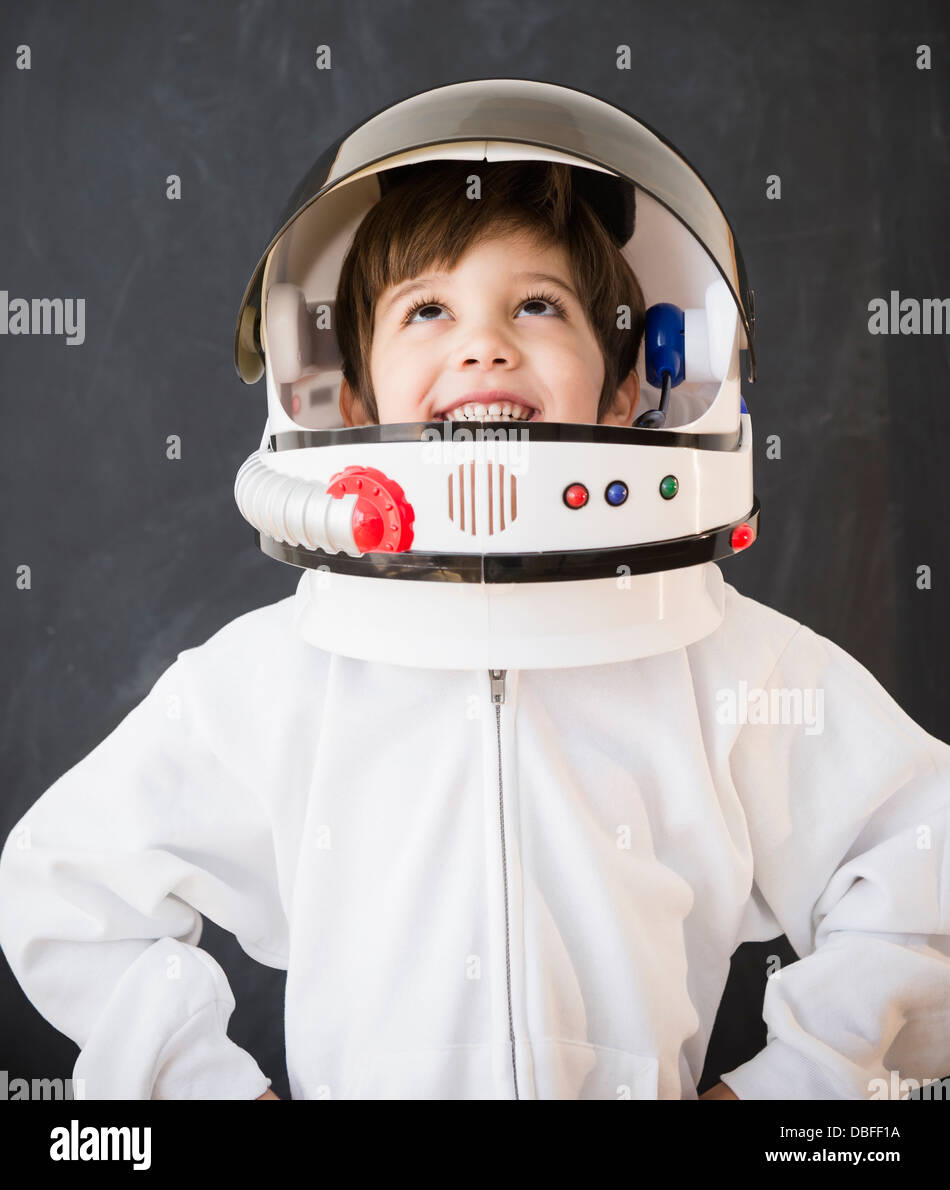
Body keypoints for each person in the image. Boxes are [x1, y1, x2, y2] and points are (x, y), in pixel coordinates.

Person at [1, 147, 948, 1102]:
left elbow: (927, 868)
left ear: (626, 388)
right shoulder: (280, 674)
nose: (484, 345)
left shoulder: (725, 659)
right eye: (428, 311)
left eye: (538, 305)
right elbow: (67, 882)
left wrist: (795, 1088)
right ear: (354, 393)